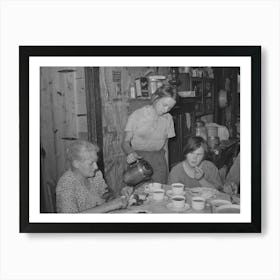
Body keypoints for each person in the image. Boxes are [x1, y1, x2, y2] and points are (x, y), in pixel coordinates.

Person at [122, 85, 177, 184]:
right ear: (155, 98)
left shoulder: (168, 119)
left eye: (170, 107)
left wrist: (167, 172)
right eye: (164, 105)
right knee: (139, 195)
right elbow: (125, 142)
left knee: (159, 195)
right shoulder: (137, 115)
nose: (166, 110)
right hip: (139, 162)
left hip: (159, 162)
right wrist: (130, 152)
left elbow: (166, 148)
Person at [56, 140, 127, 213]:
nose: (96, 167)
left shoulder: (96, 174)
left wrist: (117, 197)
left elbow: (105, 194)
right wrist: (109, 206)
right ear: (76, 164)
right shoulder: (66, 184)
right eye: (91, 163)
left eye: (96, 162)